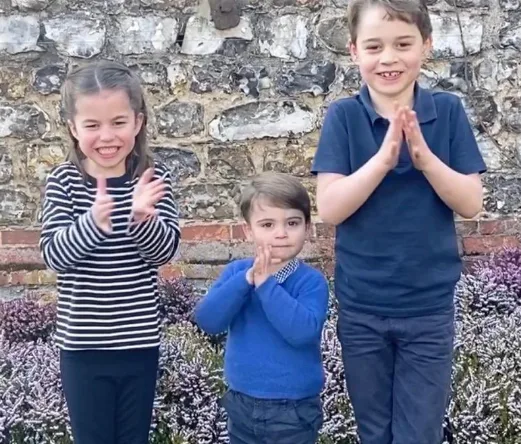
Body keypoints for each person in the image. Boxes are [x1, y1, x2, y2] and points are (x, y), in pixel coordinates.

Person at [311, 0, 487, 443]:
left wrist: (424, 158)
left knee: (418, 434)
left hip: (428, 309)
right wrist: (383, 161)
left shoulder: (446, 112)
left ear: (425, 47)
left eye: (403, 44)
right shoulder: (344, 117)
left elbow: (470, 202)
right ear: (354, 51)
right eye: (374, 46)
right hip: (362, 308)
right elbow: (330, 208)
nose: (388, 58)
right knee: (375, 432)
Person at [39, 60, 180, 444]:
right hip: (83, 348)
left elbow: (163, 252)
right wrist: (92, 224)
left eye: (118, 122)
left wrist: (140, 219)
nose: (107, 136)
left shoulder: (153, 177)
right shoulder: (64, 181)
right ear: (73, 127)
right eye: (92, 125)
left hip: (138, 346)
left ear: (138, 122)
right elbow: (53, 253)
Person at [194, 172, 329, 444]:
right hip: (241, 404)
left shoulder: (311, 282)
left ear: (307, 227)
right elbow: (208, 320)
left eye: (292, 222)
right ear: (248, 230)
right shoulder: (237, 273)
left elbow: (301, 332)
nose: (281, 233)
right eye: (267, 224)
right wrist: (247, 281)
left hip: (293, 411)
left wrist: (266, 284)